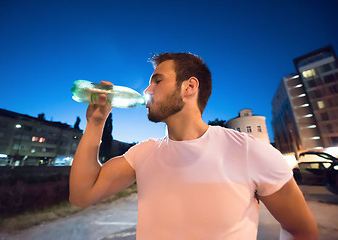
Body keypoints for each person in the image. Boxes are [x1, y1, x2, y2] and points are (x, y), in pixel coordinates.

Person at [69, 53, 318, 239]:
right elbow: (82, 195)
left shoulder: (249, 151)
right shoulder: (143, 153)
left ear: (189, 87)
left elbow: (301, 231)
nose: (147, 90)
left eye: (157, 81)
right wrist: (95, 123)